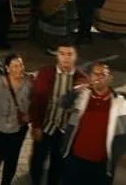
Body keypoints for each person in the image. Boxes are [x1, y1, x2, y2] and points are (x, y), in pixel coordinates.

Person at [58, 61, 126, 184]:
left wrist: (115, 156)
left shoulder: (120, 103)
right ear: (90, 77)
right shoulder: (81, 97)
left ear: (110, 78)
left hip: (100, 165)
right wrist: (76, 90)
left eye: (103, 74)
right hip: (75, 158)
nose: (99, 77)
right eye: (95, 74)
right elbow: (64, 104)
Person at [28, 42, 85, 185]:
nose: (66, 58)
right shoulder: (45, 73)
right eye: (62, 54)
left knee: (58, 164)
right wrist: (35, 125)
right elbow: (36, 100)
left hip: (64, 131)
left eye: (70, 54)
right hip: (45, 126)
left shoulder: (81, 79)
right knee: (37, 160)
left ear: (76, 56)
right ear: (57, 55)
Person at [0, 53, 30, 185]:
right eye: (15, 66)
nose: (19, 69)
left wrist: (29, 115)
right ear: (7, 68)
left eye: (21, 65)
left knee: (12, 160)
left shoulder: (29, 83)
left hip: (17, 130)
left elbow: (34, 102)